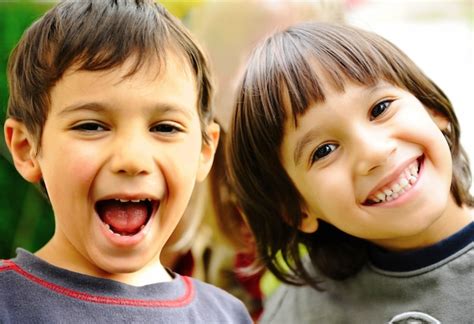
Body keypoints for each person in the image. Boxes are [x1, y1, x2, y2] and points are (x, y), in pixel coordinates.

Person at [0, 1, 252, 322]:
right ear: (26, 148)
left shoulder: (227, 315)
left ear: (205, 151)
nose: (132, 160)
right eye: (91, 126)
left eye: (165, 127)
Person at [227, 22, 473, 323]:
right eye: (324, 151)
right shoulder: (298, 316)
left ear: (433, 109)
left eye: (380, 108)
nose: (374, 152)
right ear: (297, 208)